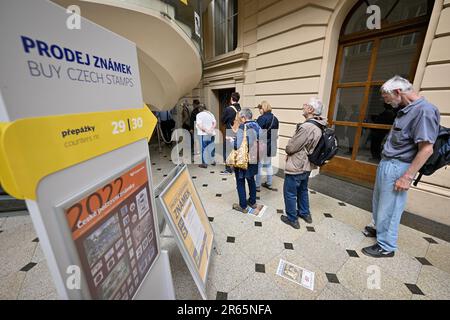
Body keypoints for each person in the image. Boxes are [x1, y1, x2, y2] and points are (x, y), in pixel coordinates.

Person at [362, 76, 440, 258]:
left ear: (398, 92)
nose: (385, 101)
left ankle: (386, 246)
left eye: (386, 97)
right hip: (388, 163)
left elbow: (427, 149)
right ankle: (379, 230)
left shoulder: (424, 111)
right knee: (380, 204)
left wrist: (407, 177)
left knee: (391, 208)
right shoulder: (407, 109)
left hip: (399, 167)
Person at [281, 98, 328, 229]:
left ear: (311, 110)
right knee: (302, 190)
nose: (303, 106)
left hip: (297, 165)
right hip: (308, 165)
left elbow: (291, 147)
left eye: (306, 105)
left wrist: (287, 148)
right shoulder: (320, 125)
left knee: (290, 192)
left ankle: (292, 219)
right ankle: (305, 213)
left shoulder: (307, 127)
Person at [230, 108, 261, 213]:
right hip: (254, 158)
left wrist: (231, 141)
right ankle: (252, 202)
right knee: (251, 179)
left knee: (240, 181)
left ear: (243, 117)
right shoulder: (257, 126)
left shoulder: (243, 127)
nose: (239, 119)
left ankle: (243, 206)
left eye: (240, 117)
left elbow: (237, 145)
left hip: (243, 159)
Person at [255, 101, 279, 191]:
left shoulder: (261, 118)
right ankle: (269, 183)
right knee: (268, 164)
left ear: (263, 108)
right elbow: (275, 134)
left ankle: (257, 185)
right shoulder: (275, 119)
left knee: (259, 165)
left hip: (262, 144)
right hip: (272, 144)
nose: (259, 111)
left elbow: (257, 133)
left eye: (260, 109)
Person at [221, 92, 241, 175]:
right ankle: (237, 166)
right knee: (236, 149)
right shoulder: (240, 108)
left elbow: (223, 120)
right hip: (239, 131)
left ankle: (228, 169)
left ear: (231, 99)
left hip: (230, 131)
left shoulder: (228, 109)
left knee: (227, 150)